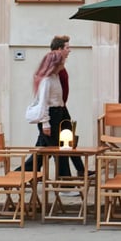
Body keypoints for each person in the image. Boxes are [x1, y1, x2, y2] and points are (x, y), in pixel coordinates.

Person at [20, 50, 71, 178]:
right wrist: (45, 123)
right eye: (62, 63)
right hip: (50, 116)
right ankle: (65, 184)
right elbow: (43, 103)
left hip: (57, 114)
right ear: (55, 64)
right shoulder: (46, 80)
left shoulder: (55, 77)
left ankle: (20, 176)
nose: (64, 65)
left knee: (41, 152)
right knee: (60, 152)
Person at [50, 35, 91, 176]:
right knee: (58, 147)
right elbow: (46, 92)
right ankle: (21, 175)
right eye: (67, 47)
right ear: (59, 49)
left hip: (61, 108)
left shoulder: (59, 65)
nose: (70, 50)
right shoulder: (53, 66)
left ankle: (80, 170)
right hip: (54, 111)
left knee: (69, 140)